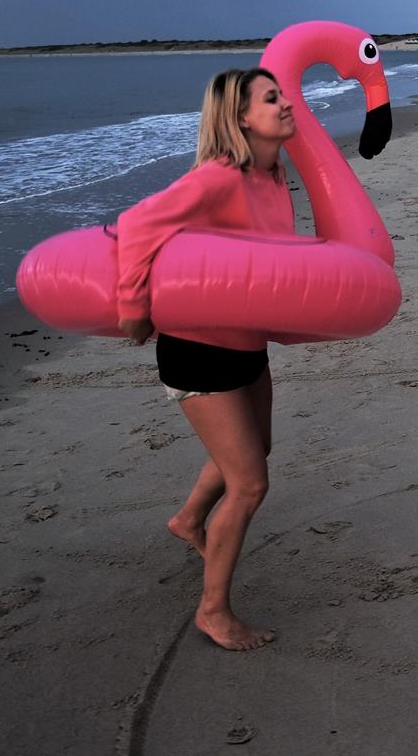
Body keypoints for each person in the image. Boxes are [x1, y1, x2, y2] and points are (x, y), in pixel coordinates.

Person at [116, 67, 296, 651]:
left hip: (246, 343)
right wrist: (133, 305)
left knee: (255, 450)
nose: (287, 103)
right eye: (273, 99)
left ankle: (189, 520)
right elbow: (138, 223)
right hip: (198, 348)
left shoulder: (274, 177)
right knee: (248, 484)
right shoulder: (219, 178)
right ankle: (213, 611)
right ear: (243, 117)